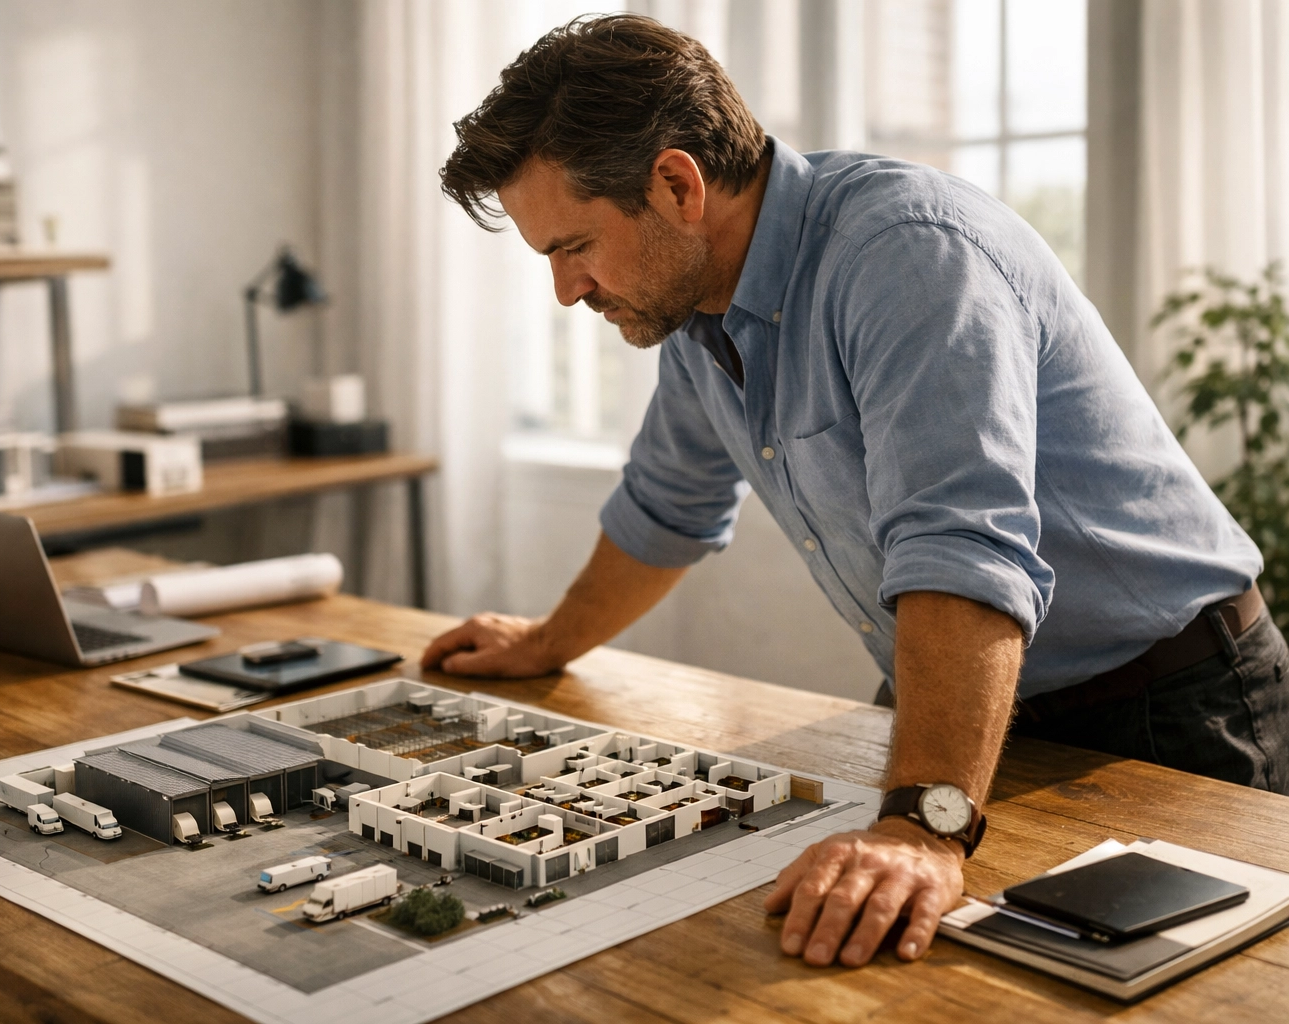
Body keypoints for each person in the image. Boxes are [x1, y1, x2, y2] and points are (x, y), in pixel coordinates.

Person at [425, 13, 1288, 969]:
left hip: (1167, 703)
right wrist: (548, 642)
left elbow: (962, 548)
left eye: (573, 246)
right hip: (974, 701)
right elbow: (666, 509)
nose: (565, 290)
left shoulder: (906, 252)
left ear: (677, 185)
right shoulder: (695, 313)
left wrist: (923, 823)